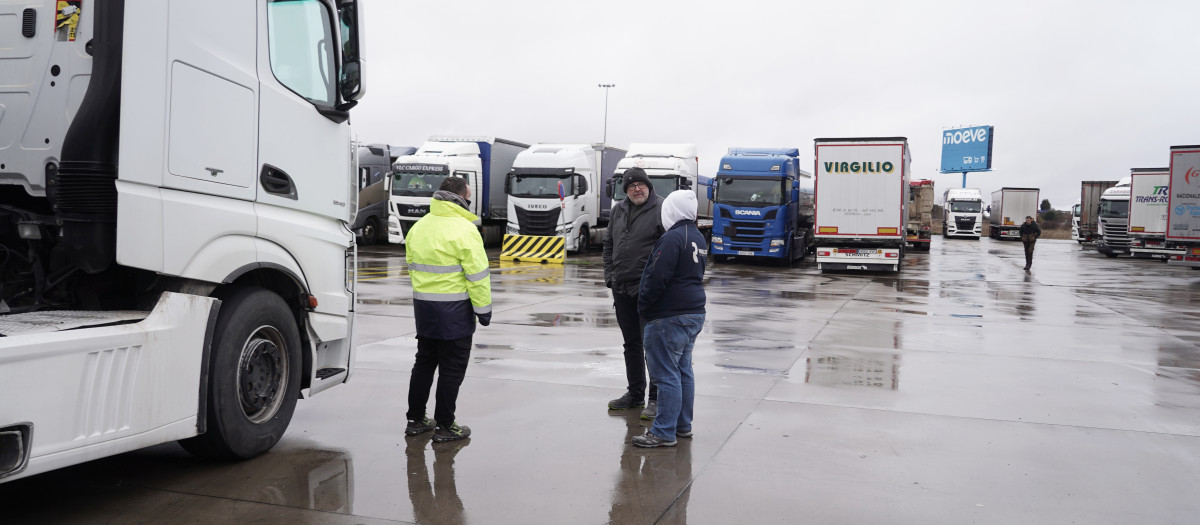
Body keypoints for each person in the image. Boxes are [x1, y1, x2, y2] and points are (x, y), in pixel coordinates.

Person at [404, 177, 491, 443]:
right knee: (452, 370)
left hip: (425, 310)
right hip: (455, 312)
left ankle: (416, 419)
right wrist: (483, 310)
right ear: (462, 197)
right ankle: (445, 425)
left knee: (424, 364)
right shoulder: (465, 230)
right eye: (469, 195)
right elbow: (477, 276)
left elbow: (412, 267)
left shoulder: (419, 227)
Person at [632, 190, 707, 448]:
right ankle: (682, 425)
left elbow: (656, 277)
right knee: (683, 370)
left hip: (669, 316)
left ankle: (664, 431)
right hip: (693, 312)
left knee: (665, 375)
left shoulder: (672, 238)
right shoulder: (696, 236)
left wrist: (643, 305)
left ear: (671, 210)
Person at [602, 168, 665, 420]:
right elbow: (608, 244)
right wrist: (610, 276)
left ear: (648, 186)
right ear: (625, 190)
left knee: (653, 347)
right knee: (631, 345)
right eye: (631, 186)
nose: (636, 189)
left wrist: (655, 285)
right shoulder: (618, 210)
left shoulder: (662, 208)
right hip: (621, 288)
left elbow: (667, 249)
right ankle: (635, 394)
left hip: (648, 291)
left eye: (641, 184)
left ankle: (656, 399)